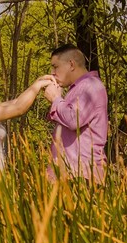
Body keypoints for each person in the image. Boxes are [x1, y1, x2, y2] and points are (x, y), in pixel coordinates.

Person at [44, 45, 108, 182]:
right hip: (70, 175)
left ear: (71, 64)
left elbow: (74, 120)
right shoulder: (78, 88)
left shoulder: (91, 86)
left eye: (55, 67)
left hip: (82, 176)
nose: (52, 73)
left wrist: (55, 99)